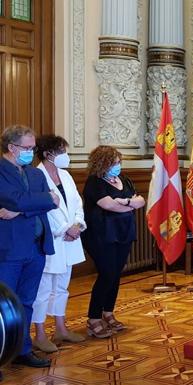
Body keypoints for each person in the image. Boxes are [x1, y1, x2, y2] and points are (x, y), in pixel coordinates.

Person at [0, 125, 59, 368]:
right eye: (27, 148)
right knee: (4, 308)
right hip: (10, 250)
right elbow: (16, 199)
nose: (31, 152)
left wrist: (18, 210)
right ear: (12, 147)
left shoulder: (35, 174)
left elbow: (53, 201)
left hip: (36, 248)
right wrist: (32, 203)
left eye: (33, 147)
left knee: (27, 302)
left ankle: (22, 350)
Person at [82, 146, 145, 338]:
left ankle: (108, 312)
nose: (118, 166)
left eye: (119, 162)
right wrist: (128, 203)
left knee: (116, 273)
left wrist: (124, 203)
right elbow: (107, 205)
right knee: (107, 274)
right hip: (101, 235)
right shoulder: (94, 182)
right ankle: (93, 318)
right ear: (102, 163)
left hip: (123, 232)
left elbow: (140, 201)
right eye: (114, 162)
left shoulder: (123, 179)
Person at [31, 135, 86, 352]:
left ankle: (61, 328)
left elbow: (77, 203)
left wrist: (78, 224)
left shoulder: (66, 175)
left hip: (71, 238)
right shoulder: (37, 176)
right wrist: (65, 229)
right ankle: (40, 333)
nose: (66, 156)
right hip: (52, 238)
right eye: (62, 152)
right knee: (44, 288)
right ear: (48, 154)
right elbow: (45, 209)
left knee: (62, 286)